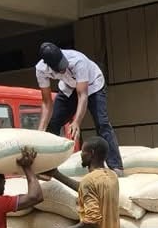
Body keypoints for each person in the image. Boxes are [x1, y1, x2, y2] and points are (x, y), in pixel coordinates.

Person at [34, 42, 124, 173]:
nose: (63, 69)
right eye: (60, 68)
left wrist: (76, 121)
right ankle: (48, 168)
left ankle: (115, 166)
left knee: (102, 123)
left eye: (64, 65)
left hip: (93, 86)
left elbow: (82, 95)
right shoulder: (41, 69)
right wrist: (40, 131)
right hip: (68, 87)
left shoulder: (78, 61)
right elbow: (47, 102)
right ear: (49, 66)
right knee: (52, 123)